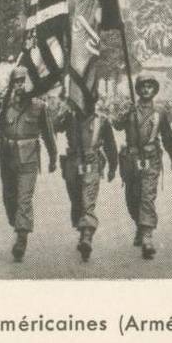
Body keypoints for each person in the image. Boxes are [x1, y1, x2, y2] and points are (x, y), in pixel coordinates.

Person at [0, 67, 58, 262]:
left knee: (24, 198)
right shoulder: (5, 104)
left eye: (23, 81)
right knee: (9, 197)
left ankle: (21, 237)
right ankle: (17, 222)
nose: (20, 85)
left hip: (28, 157)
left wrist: (53, 157)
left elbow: (48, 134)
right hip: (7, 155)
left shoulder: (38, 106)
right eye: (16, 82)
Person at [114, 73, 172, 259]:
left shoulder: (160, 112)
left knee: (147, 196)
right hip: (131, 160)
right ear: (138, 90)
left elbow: (167, 136)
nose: (146, 89)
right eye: (142, 86)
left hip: (151, 158)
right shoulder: (130, 109)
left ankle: (148, 237)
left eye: (150, 86)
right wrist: (123, 112)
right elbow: (116, 125)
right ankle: (140, 227)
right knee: (132, 199)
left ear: (154, 90)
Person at [56, 99, 118, 262]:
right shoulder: (70, 117)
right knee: (76, 200)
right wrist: (61, 111)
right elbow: (55, 127)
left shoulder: (102, 120)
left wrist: (113, 166)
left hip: (92, 162)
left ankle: (87, 236)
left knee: (88, 199)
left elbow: (110, 145)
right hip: (72, 163)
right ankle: (82, 228)